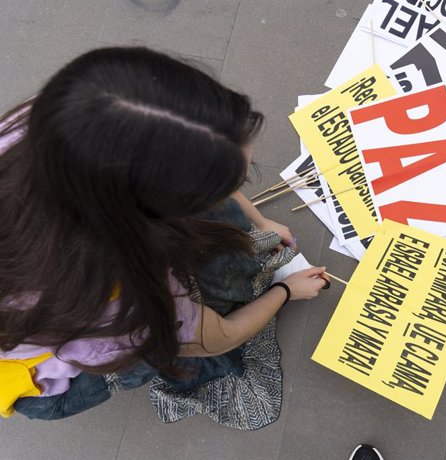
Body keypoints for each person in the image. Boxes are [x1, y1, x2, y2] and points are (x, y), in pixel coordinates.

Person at [0, 47, 329, 427]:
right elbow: (217, 338)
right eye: (219, 185)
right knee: (152, 353)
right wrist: (286, 291)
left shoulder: (60, 120)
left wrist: (260, 222)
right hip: (32, 379)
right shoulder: (121, 306)